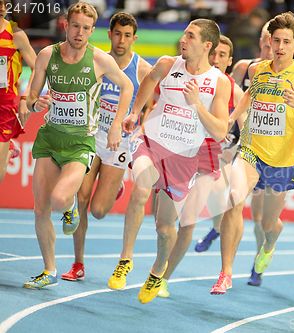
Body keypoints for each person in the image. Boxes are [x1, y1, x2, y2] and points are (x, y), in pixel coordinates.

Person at [108, 18, 230, 305]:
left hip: (183, 157)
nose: (183, 40)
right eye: (184, 34)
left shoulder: (218, 82)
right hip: (151, 142)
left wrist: (198, 104)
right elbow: (148, 82)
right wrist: (135, 113)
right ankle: (126, 259)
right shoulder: (167, 64)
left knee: (165, 228)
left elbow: (221, 130)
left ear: (207, 45)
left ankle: (157, 271)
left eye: (190, 36)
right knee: (141, 187)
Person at [23, 2, 133, 289]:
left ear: (92, 31)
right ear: (65, 25)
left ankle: (69, 206)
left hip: (80, 143)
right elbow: (32, 95)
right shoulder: (48, 55)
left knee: (60, 200)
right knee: (40, 209)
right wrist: (36, 103)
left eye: (86, 28)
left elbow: (127, 87)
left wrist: (118, 123)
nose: (80, 32)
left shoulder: (99, 60)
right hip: (50, 138)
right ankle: (49, 270)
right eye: (75, 26)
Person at [210, 11, 294, 295]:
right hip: (251, 150)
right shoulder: (258, 70)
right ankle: (226, 272)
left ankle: (270, 242)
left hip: (283, 160)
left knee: (268, 223)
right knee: (234, 199)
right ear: (269, 41)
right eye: (276, 40)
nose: (280, 47)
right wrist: (230, 121)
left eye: (286, 41)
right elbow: (247, 96)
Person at [60, 12, 151, 282]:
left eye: (127, 35)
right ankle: (78, 263)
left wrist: (140, 127)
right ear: (109, 34)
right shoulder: (96, 59)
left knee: (99, 210)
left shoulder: (142, 68)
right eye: (117, 34)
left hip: (119, 143)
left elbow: (149, 107)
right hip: (91, 136)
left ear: (134, 39)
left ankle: (114, 189)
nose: (121, 40)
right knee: (81, 199)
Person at [156, 35, 244, 298]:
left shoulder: (231, 89)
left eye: (222, 55)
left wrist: (232, 158)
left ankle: (164, 278)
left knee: (189, 221)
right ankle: (162, 265)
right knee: (164, 222)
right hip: (179, 152)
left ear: (230, 61)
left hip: (210, 159)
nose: (216, 59)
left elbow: (244, 132)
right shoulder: (189, 77)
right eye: (214, 53)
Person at [195, 21, 274, 288]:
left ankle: (261, 258)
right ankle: (218, 235)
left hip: (271, 152)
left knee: (265, 220)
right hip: (239, 146)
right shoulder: (244, 68)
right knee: (230, 198)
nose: (268, 46)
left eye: (273, 41)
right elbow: (231, 98)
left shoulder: (290, 77)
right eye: (265, 40)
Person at [0, 0, 36, 182]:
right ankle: (8, 149)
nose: (0, 7)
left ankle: (6, 152)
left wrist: (25, 98)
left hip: (5, 106)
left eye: (4, 3)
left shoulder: (16, 35)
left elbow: (39, 68)